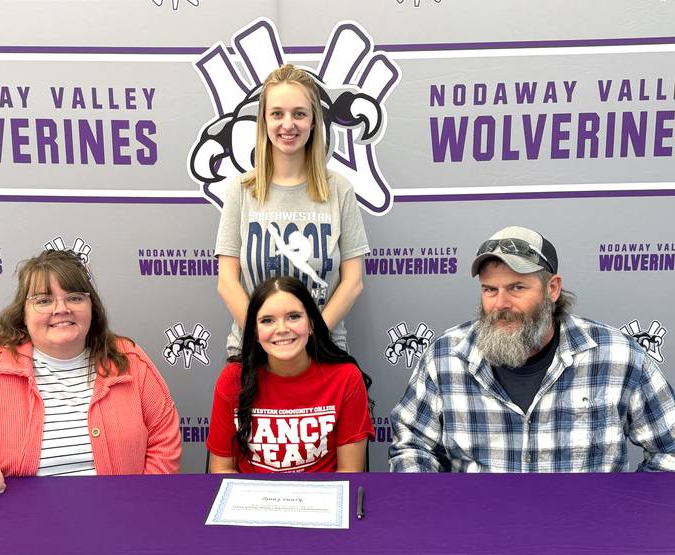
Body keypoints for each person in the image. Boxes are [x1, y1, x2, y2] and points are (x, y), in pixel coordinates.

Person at [389, 226, 675, 473]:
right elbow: (411, 446)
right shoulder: (445, 358)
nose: (500, 304)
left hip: (585, 533)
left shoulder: (618, 357)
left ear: (552, 289)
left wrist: (628, 510)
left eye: (517, 288)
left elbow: (670, 449)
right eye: (490, 290)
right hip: (477, 530)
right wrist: (438, 510)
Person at [0, 250, 181, 493]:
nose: (61, 309)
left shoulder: (128, 361)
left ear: (91, 306)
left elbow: (163, 439)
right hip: (14, 532)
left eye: (75, 298)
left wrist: (144, 501)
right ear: (24, 313)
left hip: (120, 526)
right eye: (44, 300)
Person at [215, 63, 370, 355]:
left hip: (322, 350)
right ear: (264, 120)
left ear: (313, 121)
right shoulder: (241, 190)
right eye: (277, 114)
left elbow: (352, 281)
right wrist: (267, 339)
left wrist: (307, 338)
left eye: (299, 113)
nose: (288, 124)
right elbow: (227, 282)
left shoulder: (339, 189)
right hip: (253, 352)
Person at [207, 276, 374, 473]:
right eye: (267, 320)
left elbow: (350, 473)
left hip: (321, 500)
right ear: (254, 332)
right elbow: (221, 471)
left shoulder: (346, 378)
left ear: (311, 323)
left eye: (294, 316)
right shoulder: (233, 379)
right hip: (252, 501)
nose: (282, 329)